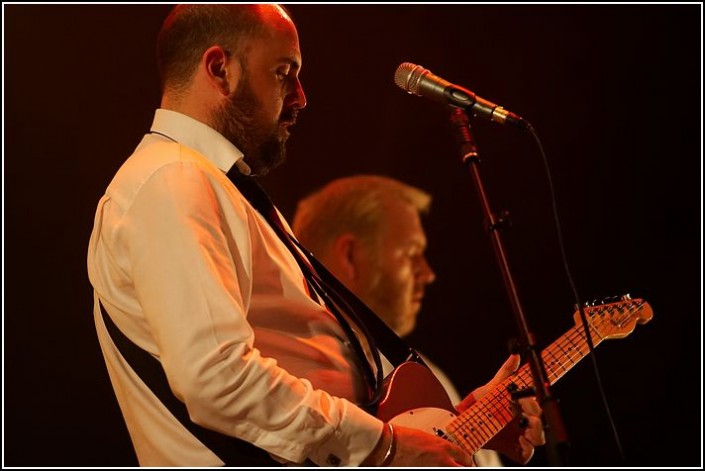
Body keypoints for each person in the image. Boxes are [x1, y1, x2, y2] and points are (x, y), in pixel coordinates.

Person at [87, 4, 544, 467]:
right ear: (220, 69)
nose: (301, 96)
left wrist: (444, 427)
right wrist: (385, 446)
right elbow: (217, 377)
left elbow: (316, 371)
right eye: (284, 72)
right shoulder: (172, 180)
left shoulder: (213, 185)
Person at [292, 175, 508, 466]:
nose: (428, 273)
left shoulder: (424, 375)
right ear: (351, 255)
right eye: (410, 253)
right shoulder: (294, 375)